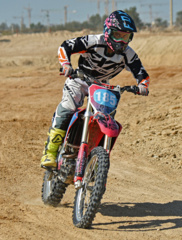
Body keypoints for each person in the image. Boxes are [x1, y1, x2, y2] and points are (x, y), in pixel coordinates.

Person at [40, 10, 150, 168]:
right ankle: (50, 152)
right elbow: (65, 46)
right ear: (107, 32)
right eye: (117, 35)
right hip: (79, 79)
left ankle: (95, 161)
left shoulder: (128, 54)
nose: (121, 40)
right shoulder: (93, 41)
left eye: (126, 36)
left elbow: (141, 73)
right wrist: (66, 65)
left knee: (107, 119)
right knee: (67, 108)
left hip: (102, 86)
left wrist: (142, 86)